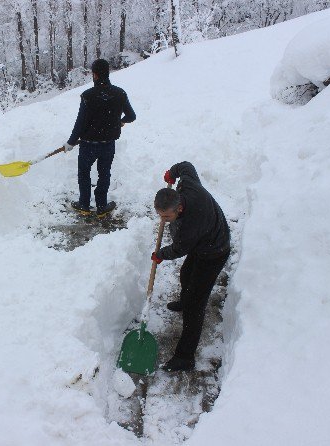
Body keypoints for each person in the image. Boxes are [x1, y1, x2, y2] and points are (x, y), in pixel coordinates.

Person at [151, 161, 231, 372]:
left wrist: (160, 255)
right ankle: (184, 301)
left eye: (166, 217)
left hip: (214, 251)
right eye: (160, 215)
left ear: (179, 207)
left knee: (196, 305)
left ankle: (185, 357)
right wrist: (172, 172)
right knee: (187, 274)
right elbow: (186, 165)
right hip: (205, 240)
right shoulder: (188, 184)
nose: (164, 221)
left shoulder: (190, 224)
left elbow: (178, 249)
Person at [63, 59, 136, 217]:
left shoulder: (88, 96)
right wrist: (120, 121)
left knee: (84, 173)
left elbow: (80, 122)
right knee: (104, 173)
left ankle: (84, 205)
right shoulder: (120, 93)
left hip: (88, 144)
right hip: (108, 144)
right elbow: (132, 116)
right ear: (107, 73)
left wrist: (70, 142)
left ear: (94, 75)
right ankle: (102, 206)